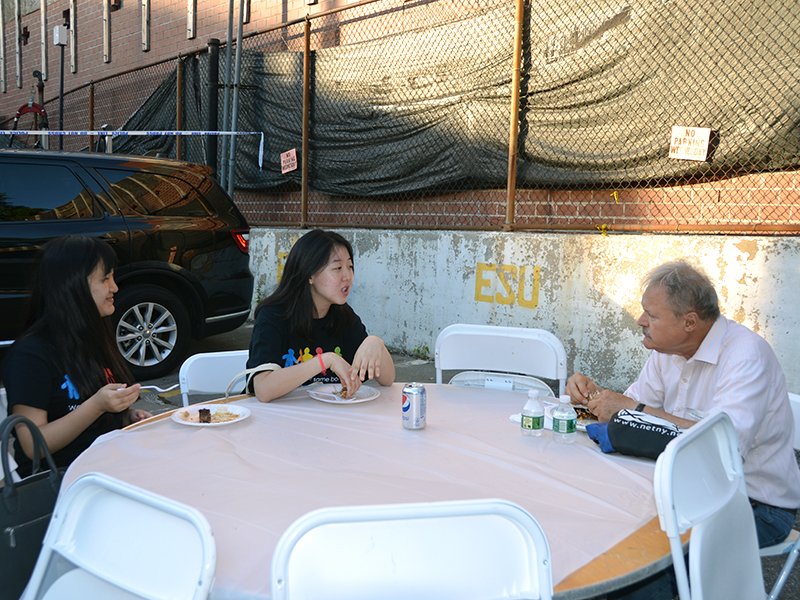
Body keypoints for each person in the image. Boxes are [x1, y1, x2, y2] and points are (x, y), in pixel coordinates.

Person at [566, 259, 800, 598]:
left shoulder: (746, 357)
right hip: (681, 488)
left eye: (652, 315)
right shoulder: (668, 351)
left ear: (689, 321)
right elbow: (629, 413)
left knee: (640, 573)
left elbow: (722, 447)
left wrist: (634, 409)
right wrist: (595, 397)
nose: (641, 321)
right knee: (594, 530)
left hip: (753, 505)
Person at [2, 236, 151, 478]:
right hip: (61, 483)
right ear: (74, 286)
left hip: (106, 467)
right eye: (105, 279)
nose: (114, 287)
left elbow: (93, 415)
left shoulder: (91, 336)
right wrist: (96, 405)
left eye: (112, 277)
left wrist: (124, 416)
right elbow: (32, 445)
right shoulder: (30, 355)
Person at [247, 229, 395, 402]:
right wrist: (326, 360)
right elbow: (263, 389)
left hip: (327, 421)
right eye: (338, 268)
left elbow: (387, 379)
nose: (347, 276)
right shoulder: (274, 315)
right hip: (278, 421)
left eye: (350, 267)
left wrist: (376, 343)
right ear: (309, 274)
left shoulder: (344, 317)